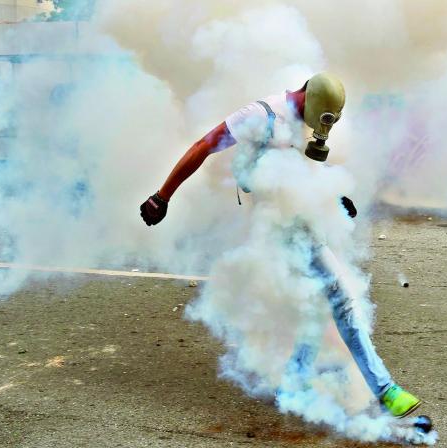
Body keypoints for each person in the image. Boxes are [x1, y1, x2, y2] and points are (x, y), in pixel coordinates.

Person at [139, 73, 423, 418]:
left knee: (315, 303)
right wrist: (162, 195)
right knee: (340, 298)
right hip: (277, 228)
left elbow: (300, 170)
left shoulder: (303, 121)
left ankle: (295, 382)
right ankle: (385, 390)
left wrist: (334, 200)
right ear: (308, 99)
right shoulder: (259, 115)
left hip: (301, 222)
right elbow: (205, 145)